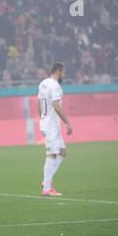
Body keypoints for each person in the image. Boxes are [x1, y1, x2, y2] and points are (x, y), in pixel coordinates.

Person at [37, 62, 73, 196]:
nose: (64, 74)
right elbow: (56, 106)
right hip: (51, 126)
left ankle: (47, 180)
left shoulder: (43, 83)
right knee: (52, 154)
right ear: (58, 71)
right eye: (64, 72)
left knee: (62, 152)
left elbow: (38, 102)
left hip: (47, 124)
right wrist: (67, 122)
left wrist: (42, 118)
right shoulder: (55, 86)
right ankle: (46, 188)